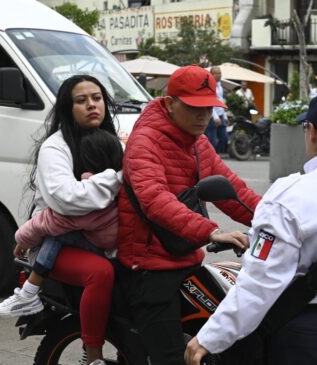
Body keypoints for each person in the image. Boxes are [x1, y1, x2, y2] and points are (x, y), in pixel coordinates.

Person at [185, 85, 317, 365]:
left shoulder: (291, 194)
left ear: (312, 131)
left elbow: (260, 284)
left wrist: (210, 337)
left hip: (310, 337)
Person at [117, 65, 262, 365]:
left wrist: (278, 219)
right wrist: (210, 231)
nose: (204, 116)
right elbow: (155, 200)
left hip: (185, 258)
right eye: (195, 108)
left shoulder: (199, 143)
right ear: (170, 103)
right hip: (149, 266)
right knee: (172, 359)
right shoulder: (145, 142)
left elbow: (233, 191)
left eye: (209, 108)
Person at [0, 74, 122, 365]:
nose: (92, 105)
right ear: (67, 108)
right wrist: (116, 180)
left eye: (97, 98)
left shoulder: (111, 141)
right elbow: (67, 200)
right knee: (100, 273)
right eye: (81, 100)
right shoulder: (55, 147)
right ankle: (93, 357)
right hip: (57, 241)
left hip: (98, 237)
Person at [0, 128, 122, 318]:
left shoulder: (91, 191)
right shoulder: (121, 181)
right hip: (116, 246)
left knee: (56, 233)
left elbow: (52, 220)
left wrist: (22, 240)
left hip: (103, 247)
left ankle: (29, 292)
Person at [204, 66, 228, 152]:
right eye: (217, 73)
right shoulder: (208, 85)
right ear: (211, 74)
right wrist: (215, 117)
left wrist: (225, 116)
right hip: (212, 116)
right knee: (211, 140)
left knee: (224, 138)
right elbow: (209, 102)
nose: (220, 75)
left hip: (221, 114)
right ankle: (210, 156)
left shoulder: (219, 85)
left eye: (220, 73)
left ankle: (213, 154)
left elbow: (220, 100)